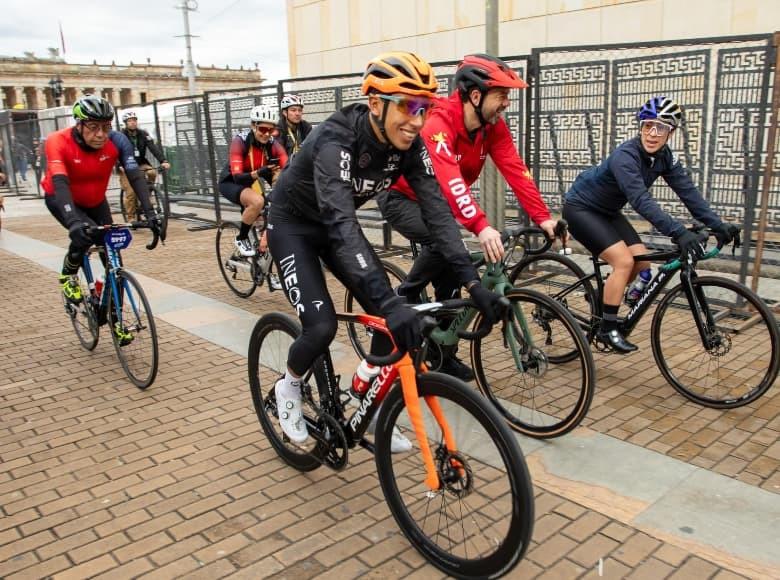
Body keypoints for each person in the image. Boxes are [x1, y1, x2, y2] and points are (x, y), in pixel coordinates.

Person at [267, 51, 507, 450]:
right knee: (323, 326)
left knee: (387, 316)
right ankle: (288, 388)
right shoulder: (336, 140)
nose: (417, 120)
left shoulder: (409, 146)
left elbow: (438, 216)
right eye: (409, 106)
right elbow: (343, 225)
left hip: (333, 227)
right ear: (376, 103)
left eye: (425, 108)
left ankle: (368, 400)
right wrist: (389, 303)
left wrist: (473, 283)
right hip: (293, 227)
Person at [379, 53, 559, 380]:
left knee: (451, 284)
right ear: (475, 95)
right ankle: (399, 300)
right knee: (443, 241)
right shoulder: (438, 123)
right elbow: (450, 180)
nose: (506, 103)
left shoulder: (492, 128)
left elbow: (516, 170)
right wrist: (480, 225)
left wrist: (543, 217)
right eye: (501, 95)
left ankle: (443, 355)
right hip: (402, 198)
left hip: (439, 205)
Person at [562, 95, 740, 354]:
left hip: (608, 211)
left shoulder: (664, 157)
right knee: (623, 262)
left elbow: (687, 191)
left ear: (671, 132)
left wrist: (718, 224)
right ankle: (607, 329)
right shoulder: (626, 156)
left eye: (662, 127)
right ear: (641, 127)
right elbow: (640, 200)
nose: (653, 133)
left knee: (642, 263)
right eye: (648, 125)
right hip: (581, 209)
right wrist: (678, 232)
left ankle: (601, 302)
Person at [42, 95, 161, 312]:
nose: (101, 134)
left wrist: (152, 214)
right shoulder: (57, 141)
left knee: (113, 254)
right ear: (79, 125)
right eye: (93, 127)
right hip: (62, 198)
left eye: (106, 127)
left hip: (96, 200)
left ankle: (114, 314)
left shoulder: (117, 140)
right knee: (85, 234)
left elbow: (135, 176)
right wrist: (73, 222)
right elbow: (60, 182)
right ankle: (68, 275)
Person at [218, 104, 288, 258]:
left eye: (271, 130)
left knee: (274, 213)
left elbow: (288, 167)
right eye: (263, 129)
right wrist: (259, 173)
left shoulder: (272, 144)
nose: (266, 134)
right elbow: (237, 176)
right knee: (257, 202)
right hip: (231, 182)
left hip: (252, 182)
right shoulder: (240, 141)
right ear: (253, 126)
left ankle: (264, 267)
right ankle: (241, 238)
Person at [118, 110, 171, 221]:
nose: (133, 123)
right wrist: (119, 165)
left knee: (152, 172)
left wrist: (163, 161)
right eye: (130, 121)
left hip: (141, 163)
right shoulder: (121, 135)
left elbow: (153, 148)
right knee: (131, 193)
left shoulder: (143, 134)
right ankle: (131, 217)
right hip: (126, 166)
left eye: (134, 120)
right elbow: (115, 151)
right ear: (125, 123)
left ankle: (146, 193)